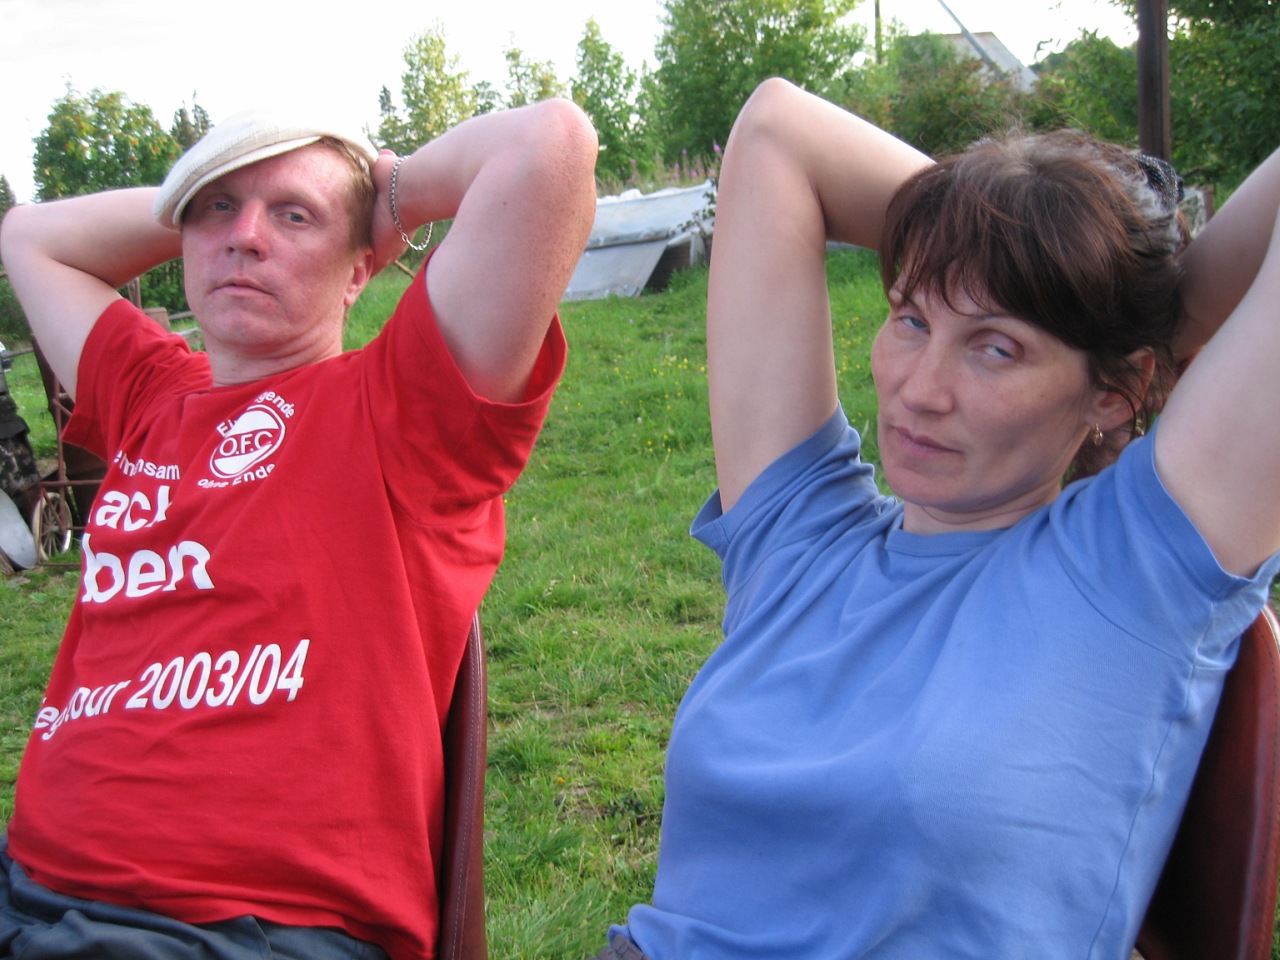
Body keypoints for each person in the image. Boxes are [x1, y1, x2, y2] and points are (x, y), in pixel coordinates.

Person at [595, 78, 1280, 960]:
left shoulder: (1140, 567)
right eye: (912, 319)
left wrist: (1117, 296)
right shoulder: (798, 536)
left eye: (997, 347)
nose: (920, 391)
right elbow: (775, 132)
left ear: (1116, 390)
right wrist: (1019, 245)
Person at [0, 97, 597, 960]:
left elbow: (551, 146)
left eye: (294, 216)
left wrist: (383, 201)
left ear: (358, 272)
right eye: (217, 208)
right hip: (28, 883)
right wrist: (213, 211)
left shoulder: (402, 411)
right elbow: (29, 236)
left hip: (245, 930)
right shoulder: (150, 395)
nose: (244, 236)